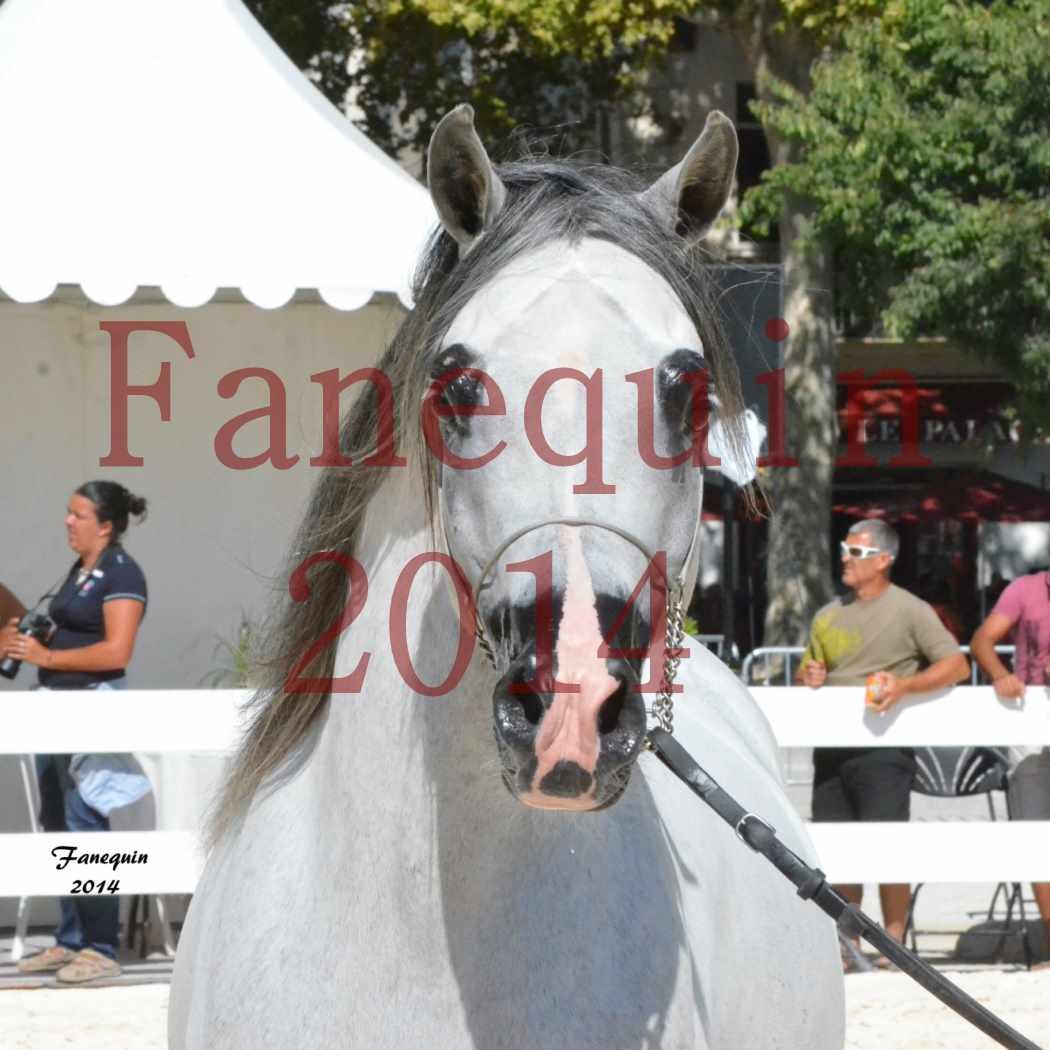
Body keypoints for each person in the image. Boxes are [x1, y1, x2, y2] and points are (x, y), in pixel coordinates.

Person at [799, 519, 969, 967]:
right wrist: (809, 674)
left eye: (854, 552)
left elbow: (955, 665)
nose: (845, 559)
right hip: (831, 747)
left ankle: (893, 945)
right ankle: (846, 943)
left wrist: (904, 687)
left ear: (883, 560)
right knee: (837, 848)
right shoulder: (827, 614)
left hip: (886, 746)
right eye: (844, 549)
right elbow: (809, 669)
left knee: (889, 847)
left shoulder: (910, 609)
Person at [1, 481, 150, 984]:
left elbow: (117, 651)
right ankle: (71, 940)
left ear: (105, 525)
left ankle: (101, 946)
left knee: (86, 819)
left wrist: (47, 656)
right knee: (58, 824)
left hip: (92, 707)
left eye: (77, 515)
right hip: (55, 709)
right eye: (67, 513)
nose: (67, 522)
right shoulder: (80, 571)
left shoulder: (123, 573)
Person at [970, 567, 1050, 970]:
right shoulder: (1026, 588)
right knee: (1035, 832)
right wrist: (1001, 674)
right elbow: (983, 639)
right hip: (1031, 722)